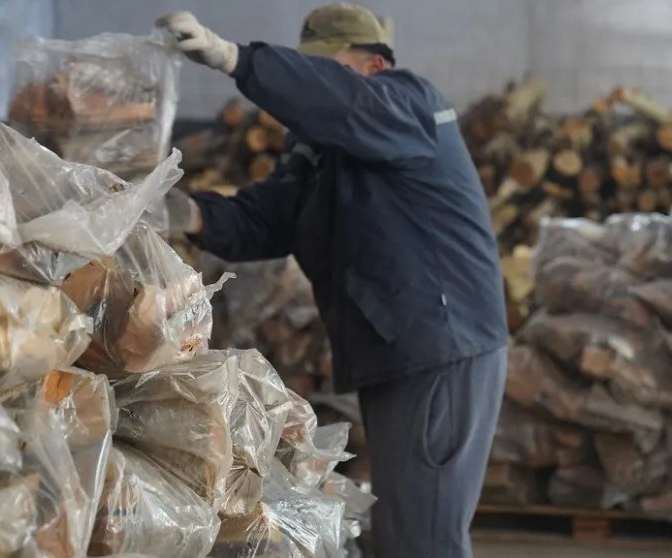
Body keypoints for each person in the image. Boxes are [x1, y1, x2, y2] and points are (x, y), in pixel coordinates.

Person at [157, 4, 508, 557]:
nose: (312, 90)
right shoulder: (322, 147)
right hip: (397, 347)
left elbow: (342, 104)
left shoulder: (409, 103)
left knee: (425, 537)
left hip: (441, 344)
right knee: (399, 532)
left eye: (327, 70)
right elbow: (270, 218)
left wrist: (234, 60)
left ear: (372, 64)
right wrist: (189, 215)